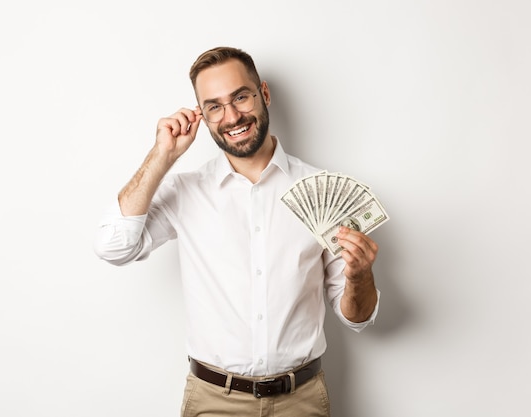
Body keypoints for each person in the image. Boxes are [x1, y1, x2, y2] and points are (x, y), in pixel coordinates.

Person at [94, 46, 381, 417]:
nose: (231, 116)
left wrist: (360, 276)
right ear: (203, 115)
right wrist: (161, 155)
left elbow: (357, 318)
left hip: (302, 401)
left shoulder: (322, 190)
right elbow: (112, 247)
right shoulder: (185, 191)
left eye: (241, 97)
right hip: (214, 402)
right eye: (214, 106)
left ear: (263, 93)